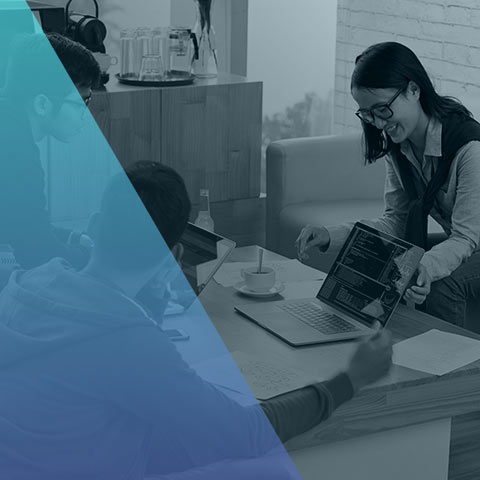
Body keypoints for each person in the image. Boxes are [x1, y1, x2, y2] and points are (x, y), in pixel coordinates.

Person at [0, 163, 392, 479]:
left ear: (94, 224)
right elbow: (248, 434)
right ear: (174, 254)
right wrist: (350, 379)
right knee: (271, 470)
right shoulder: (126, 340)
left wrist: (150, 299)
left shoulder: (26, 285)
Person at [296, 42, 480, 328]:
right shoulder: (400, 147)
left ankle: (449, 357)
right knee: (384, 257)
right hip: (468, 241)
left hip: (471, 240)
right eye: (368, 114)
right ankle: (367, 344)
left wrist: (426, 266)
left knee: (441, 283)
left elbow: (466, 237)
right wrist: (329, 235)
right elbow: (396, 220)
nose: (378, 123)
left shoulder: (469, 149)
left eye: (382, 109)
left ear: (413, 90)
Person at [0, 32, 101, 271]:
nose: (85, 115)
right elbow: (36, 253)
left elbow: (17, 221)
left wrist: (71, 238)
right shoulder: (17, 153)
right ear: (42, 104)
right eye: (83, 102)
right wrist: (94, 258)